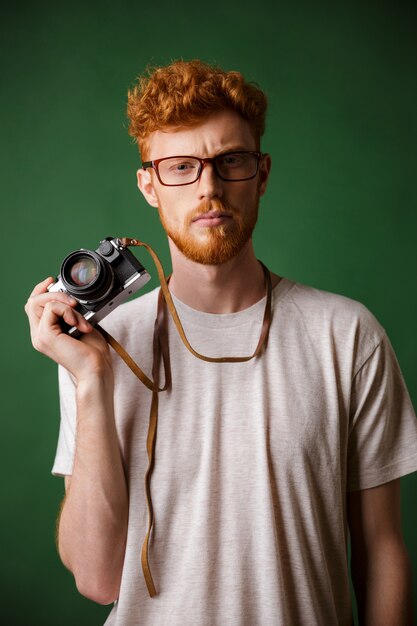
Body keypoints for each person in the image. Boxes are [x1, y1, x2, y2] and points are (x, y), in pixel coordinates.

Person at [25, 60, 417, 626]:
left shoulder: (348, 335)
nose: (208, 187)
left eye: (229, 161)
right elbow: (96, 577)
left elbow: (381, 552)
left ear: (261, 173)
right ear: (149, 185)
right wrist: (90, 381)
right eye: (181, 166)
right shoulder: (101, 346)